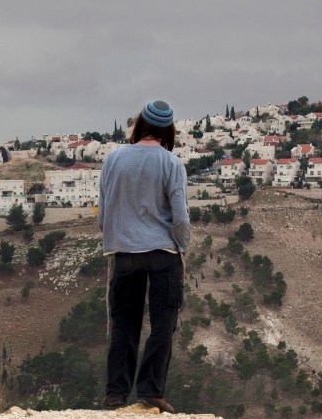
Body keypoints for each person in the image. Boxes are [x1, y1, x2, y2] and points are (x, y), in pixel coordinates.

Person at [98, 100, 190, 413]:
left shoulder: (114, 159)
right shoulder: (171, 163)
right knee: (163, 324)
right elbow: (180, 217)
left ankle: (116, 393)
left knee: (124, 323)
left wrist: (115, 238)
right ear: (169, 130)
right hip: (163, 253)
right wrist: (182, 246)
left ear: (139, 125)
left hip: (124, 253)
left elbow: (105, 210)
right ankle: (151, 391)